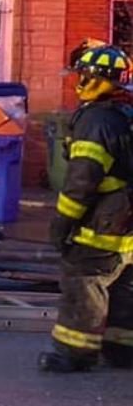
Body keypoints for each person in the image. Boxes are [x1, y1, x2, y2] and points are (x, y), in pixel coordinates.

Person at [41, 42, 133, 373]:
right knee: (123, 283)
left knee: (84, 279)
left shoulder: (96, 121)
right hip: (128, 223)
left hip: (103, 220)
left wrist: (63, 221)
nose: (78, 80)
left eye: (82, 74)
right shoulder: (127, 113)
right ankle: (123, 349)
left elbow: (82, 180)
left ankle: (74, 352)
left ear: (94, 79)